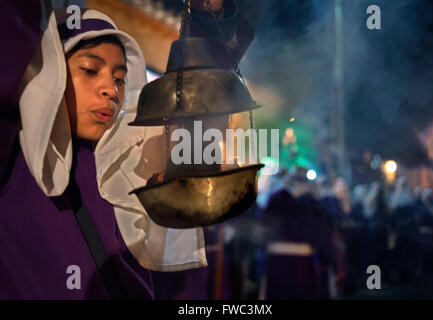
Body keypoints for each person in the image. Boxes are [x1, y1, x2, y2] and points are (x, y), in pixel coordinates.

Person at [0, 0, 254, 299]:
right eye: (90, 69)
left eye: (120, 78)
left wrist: (207, 16)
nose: (112, 89)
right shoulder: (13, 159)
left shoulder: (120, 161)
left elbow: (195, 96)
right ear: (50, 73)